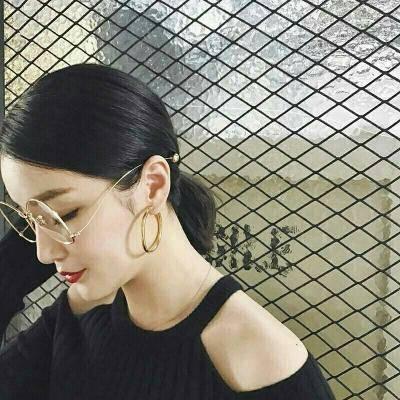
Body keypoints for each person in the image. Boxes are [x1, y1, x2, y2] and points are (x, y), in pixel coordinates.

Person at [0, 63, 336, 399]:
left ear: (153, 185)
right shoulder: (80, 315)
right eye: (30, 220)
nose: (43, 253)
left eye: (66, 213)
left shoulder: (261, 361)